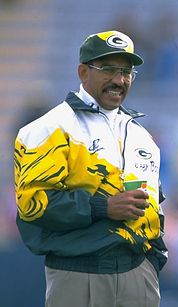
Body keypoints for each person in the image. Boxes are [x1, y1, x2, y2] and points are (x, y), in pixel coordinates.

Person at [14, 30, 167, 307]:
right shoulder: (49, 128)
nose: (120, 80)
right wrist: (104, 207)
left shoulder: (142, 135)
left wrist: (154, 259)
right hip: (78, 272)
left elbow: (156, 203)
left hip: (138, 274)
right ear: (83, 72)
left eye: (126, 71)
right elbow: (31, 204)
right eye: (108, 69)